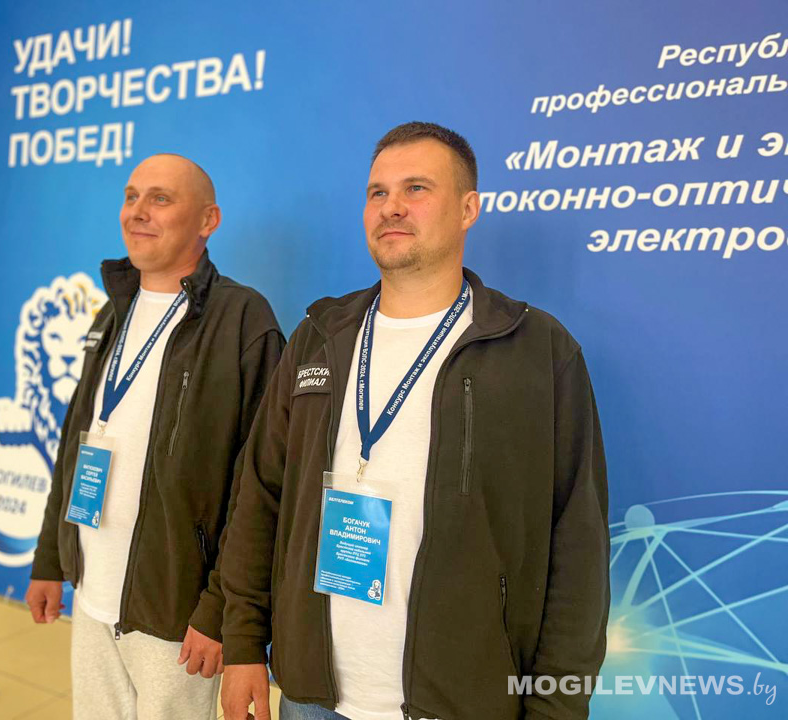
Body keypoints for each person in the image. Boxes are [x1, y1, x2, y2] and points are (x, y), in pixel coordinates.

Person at [219, 122, 609, 720]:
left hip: (460, 703)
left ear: (468, 209)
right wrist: (244, 641)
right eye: (378, 192)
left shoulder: (537, 350)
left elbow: (577, 541)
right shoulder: (319, 337)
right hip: (311, 696)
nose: (391, 207)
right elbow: (260, 495)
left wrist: (557, 707)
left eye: (416, 188)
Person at [26, 153, 285, 719]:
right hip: (93, 595)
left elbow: (261, 487)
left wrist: (222, 610)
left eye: (160, 199)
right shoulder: (112, 314)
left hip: (178, 615)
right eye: (131, 196)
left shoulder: (243, 320)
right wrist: (49, 559)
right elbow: (76, 445)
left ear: (208, 220)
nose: (137, 212)